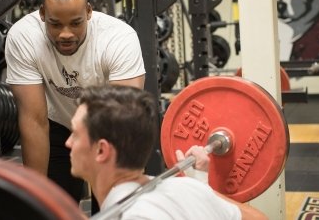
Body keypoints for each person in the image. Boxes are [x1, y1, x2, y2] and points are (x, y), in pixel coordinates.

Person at [4, 0, 145, 203]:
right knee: (53, 204)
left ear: (89, 11)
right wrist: (35, 200)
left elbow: (123, 120)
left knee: (113, 208)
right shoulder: (24, 37)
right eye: (55, 24)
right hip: (57, 126)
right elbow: (34, 120)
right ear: (42, 14)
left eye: (76, 23)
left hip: (109, 130)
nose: (65, 34)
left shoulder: (119, 38)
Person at [65, 85, 268, 219]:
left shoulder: (134, 216)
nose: (67, 142)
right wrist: (204, 188)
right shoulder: (187, 187)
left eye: (75, 134)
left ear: (101, 150)